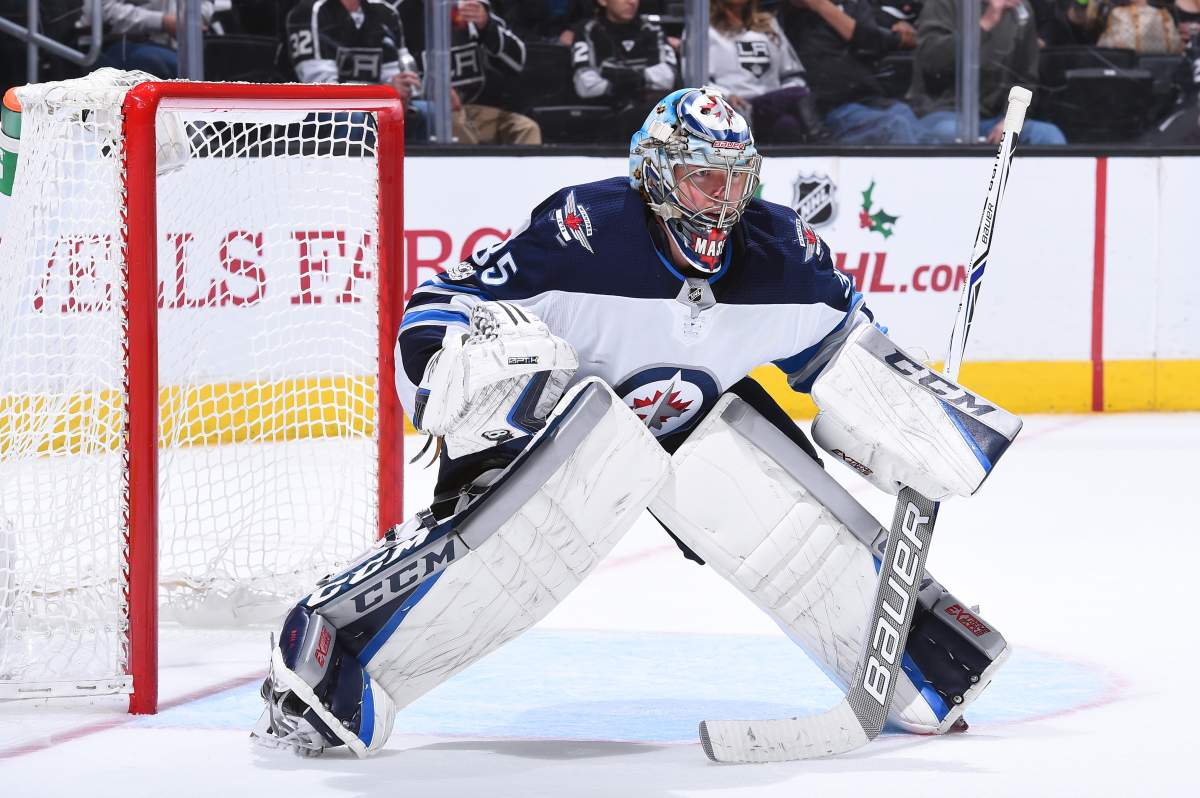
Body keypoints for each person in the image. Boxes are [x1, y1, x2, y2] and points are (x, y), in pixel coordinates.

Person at [249, 86, 1019, 758]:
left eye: (735, 183)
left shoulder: (783, 258)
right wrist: (453, 372)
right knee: (573, 477)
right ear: (654, 175)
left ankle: (915, 654)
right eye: (701, 180)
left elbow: (849, 350)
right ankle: (337, 650)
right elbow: (440, 305)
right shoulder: (582, 235)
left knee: (733, 459)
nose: (721, 204)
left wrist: (912, 418)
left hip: (682, 433)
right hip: (539, 437)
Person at [910, 0, 1068, 144]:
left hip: (995, 117)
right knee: (952, 135)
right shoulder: (943, 4)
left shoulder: (1019, 8)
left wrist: (1011, 119)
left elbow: (1026, 79)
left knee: (1049, 136)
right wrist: (984, 24)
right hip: (942, 112)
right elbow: (932, 61)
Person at [779, 0, 924, 144]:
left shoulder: (853, 5)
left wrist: (898, 37)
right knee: (895, 126)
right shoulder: (785, 15)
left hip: (869, 99)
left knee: (907, 116)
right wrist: (820, 5)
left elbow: (871, 42)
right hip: (831, 108)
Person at [285, 0, 428, 141]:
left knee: (428, 111)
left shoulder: (386, 12)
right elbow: (321, 87)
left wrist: (400, 93)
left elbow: (394, 74)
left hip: (372, 104)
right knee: (352, 118)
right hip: (308, 114)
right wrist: (383, 92)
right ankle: (341, 165)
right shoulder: (309, 11)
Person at [708, 0, 831, 143]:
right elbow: (697, 81)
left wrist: (785, 97)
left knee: (788, 125)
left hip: (773, 105)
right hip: (733, 109)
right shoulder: (704, 30)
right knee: (799, 95)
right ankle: (822, 143)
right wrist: (727, 96)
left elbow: (792, 75)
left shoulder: (768, 24)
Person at [570, 0, 679, 136]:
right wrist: (640, 79)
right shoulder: (588, 30)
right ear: (603, 1)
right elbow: (585, 85)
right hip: (605, 120)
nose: (632, 2)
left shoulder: (652, 29)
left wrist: (618, 76)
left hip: (652, 116)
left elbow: (667, 77)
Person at [89, 0, 213, 79]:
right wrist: (162, 22)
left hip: (175, 46)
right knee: (176, 68)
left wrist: (193, 20)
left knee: (221, 65)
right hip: (115, 43)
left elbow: (205, 5)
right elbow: (104, 10)